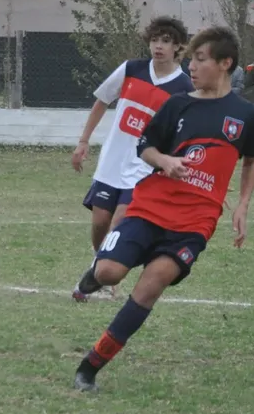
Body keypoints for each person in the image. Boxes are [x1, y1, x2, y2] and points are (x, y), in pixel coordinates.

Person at [71, 26, 254, 393]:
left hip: (195, 221)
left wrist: (242, 205)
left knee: (151, 284)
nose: (191, 65)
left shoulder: (247, 114)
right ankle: (95, 275)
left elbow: (251, 161)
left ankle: (90, 367)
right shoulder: (177, 104)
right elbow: (145, 147)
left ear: (225, 63)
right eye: (190, 58)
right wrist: (166, 160)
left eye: (200, 59)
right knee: (110, 272)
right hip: (151, 205)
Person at [71, 16, 193, 300]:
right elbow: (102, 100)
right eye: (154, 40)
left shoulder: (184, 88)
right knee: (100, 221)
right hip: (112, 161)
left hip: (145, 167)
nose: (158, 46)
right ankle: (102, 262)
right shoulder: (131, 69)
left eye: (166, 41)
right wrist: (83, 141)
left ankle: (96, 278)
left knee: (119, 220)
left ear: (177, 47)